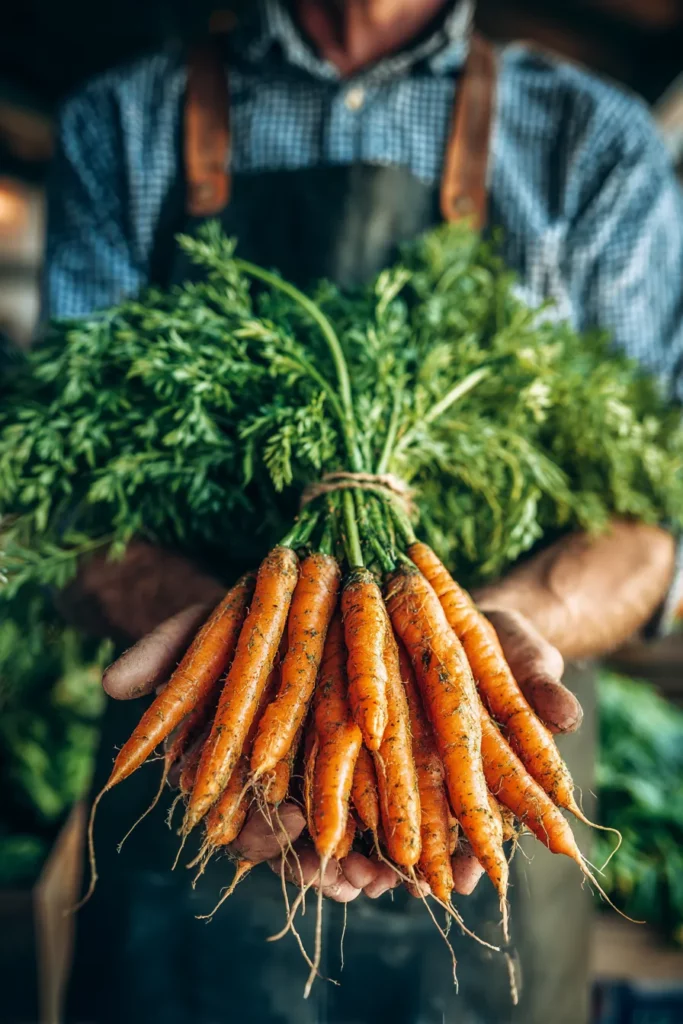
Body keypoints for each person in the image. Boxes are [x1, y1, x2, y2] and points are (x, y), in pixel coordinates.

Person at [44, 2, 682, 1022]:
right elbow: (65, 475)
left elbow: (650, 518)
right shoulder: (121, 122)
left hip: (471, 800)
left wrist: (468, 656)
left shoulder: (589, 137)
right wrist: (237, 657)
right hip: (213, 793)